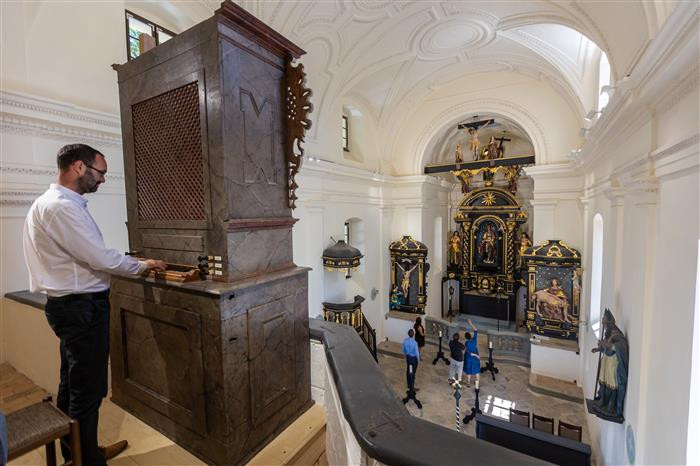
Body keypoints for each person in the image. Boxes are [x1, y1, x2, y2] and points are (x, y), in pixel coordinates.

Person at [23, 144, 167, 466]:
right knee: (87, 392)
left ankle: (77, 455)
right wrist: (142, 265)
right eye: (100, 172)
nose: (102, 179)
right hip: (81, 308)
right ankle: (87, 461)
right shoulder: (61, 207)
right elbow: (99, 257)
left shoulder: (49, 203)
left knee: (72, 385)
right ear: (79, 167)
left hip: (69, 307)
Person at [463, 320, 481, 388]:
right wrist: (471, 323)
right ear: (471, 336)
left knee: (468, 370)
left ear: (465, 338)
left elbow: (470, 353)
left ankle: (468, 383)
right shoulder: (474, 339)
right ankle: (477, 383)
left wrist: (476, 355)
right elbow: (476, 330)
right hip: (475, 359)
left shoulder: (466, 343)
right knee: (476, 371)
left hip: (469, 359)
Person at [402, 329, 420, 393]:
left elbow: (403, 350)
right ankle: (412, 387)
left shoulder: (405, 341)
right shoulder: (415, 343)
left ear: (408, 334)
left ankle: (409, 384)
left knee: (409, 371)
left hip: (408, 358)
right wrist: (418, 360)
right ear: (413, 334)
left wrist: (406, 354)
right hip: (413, 359)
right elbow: (417, 353)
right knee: (412, 373)